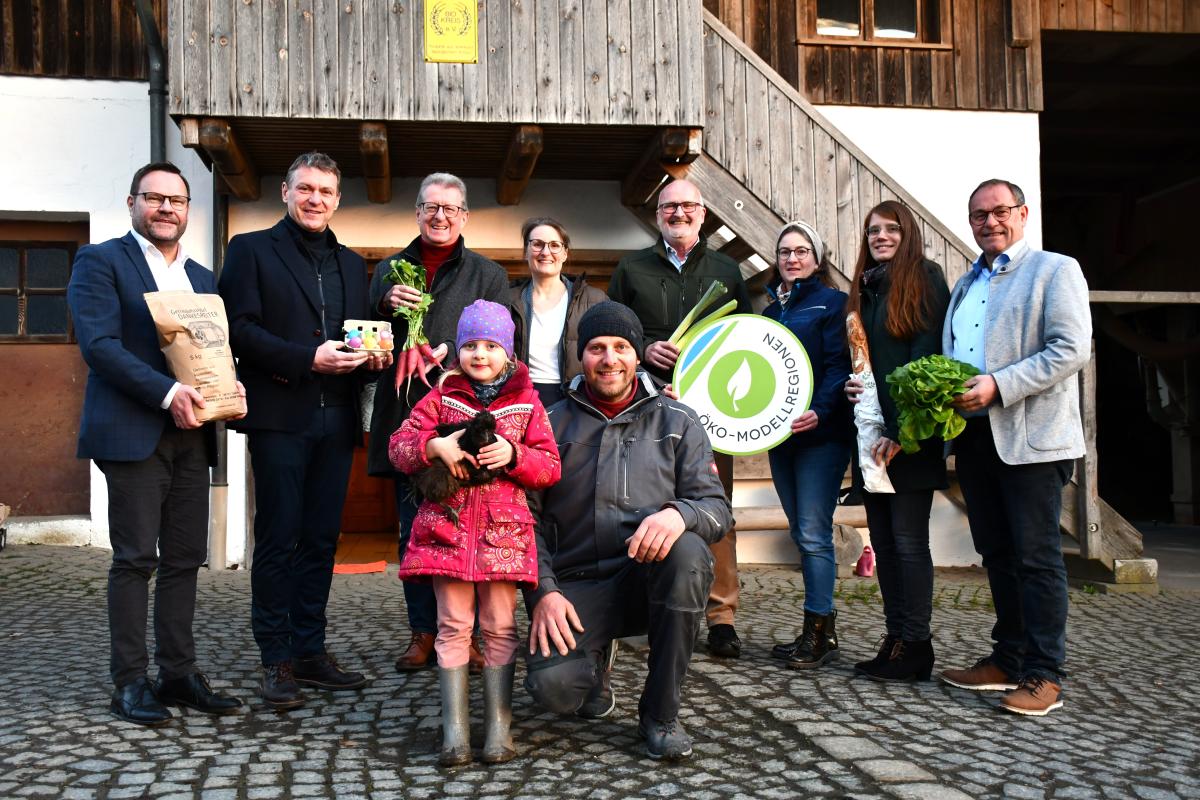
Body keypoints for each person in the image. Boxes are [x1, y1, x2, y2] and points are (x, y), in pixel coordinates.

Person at [67, 161, 244, 725]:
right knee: (136, 558)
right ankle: (129, 682)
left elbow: (213, 349)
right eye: (155, 198)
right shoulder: (101, 261)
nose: (166, 208)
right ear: (132, 203)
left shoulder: (201, 276)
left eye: (177, 200)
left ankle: (178, 673)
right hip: (133, 430)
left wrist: (230, 383)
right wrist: (168, 393)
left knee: (185, 558)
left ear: (188, 209)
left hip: (193, 435)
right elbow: (99, 346)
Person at [523, 301, 733, 761]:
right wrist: (544, 593)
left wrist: (679, 514)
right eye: (597, 347)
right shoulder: (549, 424)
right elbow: (525, 520)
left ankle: (660, 714)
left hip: (650, 576)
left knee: (688, 554)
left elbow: (717, 509)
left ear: (638, 355)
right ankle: (594, 666)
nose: (609, 359)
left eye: (621, 347)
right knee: (554, 687)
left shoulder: (679, 420)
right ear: (582, 356)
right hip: (577, 586)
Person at [219, 151, 390, 710]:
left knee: (320, 539)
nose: (316, 199)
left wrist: (372, 358)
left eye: (326, 191)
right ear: (286, 193)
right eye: (306, 188)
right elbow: (238, 330)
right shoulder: (250, 250)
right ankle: (277, 658)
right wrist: (305, 358)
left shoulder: (351, 264)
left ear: (337, 200)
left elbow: (358, 334)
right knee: (278, 538)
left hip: (336, 419)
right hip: (280, 416)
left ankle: (310, 650)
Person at [938, 179, 1091, 716]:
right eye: (979, 215)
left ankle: (1044, 674)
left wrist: (999, 385)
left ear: (1023, 214)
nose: (989, 222)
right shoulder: (966, 283)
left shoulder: (1055, 270)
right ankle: (1007, 658)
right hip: (975, 436)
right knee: (997, 554)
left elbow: (1071, 349)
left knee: (1036, 557)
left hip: (1032, 439)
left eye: (1000, 211)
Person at [390, 300, 560, 766]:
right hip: (446, 533)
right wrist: (433, 446)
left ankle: (499, 731)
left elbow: (550, 466)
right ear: (458, 350)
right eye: (470, 345)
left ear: (508, 351)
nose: (479, 354)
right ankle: (455, 734)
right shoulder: (440, 396)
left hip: (502, 538)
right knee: (451, 627)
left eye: (490, 345)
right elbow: (398, 446)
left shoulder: (528, 404)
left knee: (500, 627)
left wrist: (515, 455)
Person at [367, 173, 509, 674]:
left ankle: (467, 635)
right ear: (417, 213)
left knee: (468, 530)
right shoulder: (388, 270)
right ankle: (423, 631)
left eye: (450, 208)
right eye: (431, 207)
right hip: (409, 418)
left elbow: (501, 344)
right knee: (414, 531)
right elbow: (365, 334)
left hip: (467, 418)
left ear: (464, 216)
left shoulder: (488, 274)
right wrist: (383, 306)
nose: (440, 216)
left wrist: (455, 360)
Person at [607, 178, 752, 659]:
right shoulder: (632, 267)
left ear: (703, 213)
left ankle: (722, 616)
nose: (679, 213)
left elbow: (745, 334)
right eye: (669, 206)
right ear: (658, 215)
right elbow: (615, 330)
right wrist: (645, 348)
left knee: (715, 505)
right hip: (648, 403)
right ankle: (655, 609)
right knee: (649, 502)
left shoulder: (727, 270)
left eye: (688, 205)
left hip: (715, 409)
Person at [842, 201, 951, 681]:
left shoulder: (924, 278)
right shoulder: (865, 289)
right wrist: (850, 387)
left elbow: (928, 361)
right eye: (873, 231)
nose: (881, 237)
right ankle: (896, 638)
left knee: (908, 543)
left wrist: (902, 432)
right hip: (871, 438)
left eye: (891, 229)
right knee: (884, 544)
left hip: (909, 437)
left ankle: (917, 645)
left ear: (908, 235)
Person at [760, 221, 853, 670]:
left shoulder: (833, 303)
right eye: (785, 251)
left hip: (822, 436)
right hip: (781, 438)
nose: (792, 258)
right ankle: (818, 630)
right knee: (801, 530)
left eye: (801, 251)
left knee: (814, 533)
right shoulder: (768, 312)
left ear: (818, 259)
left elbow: (839, 366)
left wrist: (820, 409)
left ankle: (818, 632)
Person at [508, 217, 607, 409]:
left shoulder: (595, 299)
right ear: (526, 251)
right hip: (520, 399)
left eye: (554, 245)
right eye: (537, 244)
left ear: (565, 253)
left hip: (579, 398)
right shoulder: (507, 299)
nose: (545, 252)